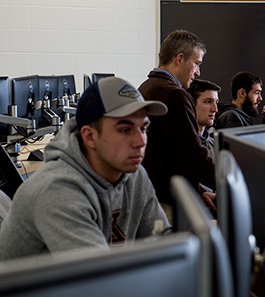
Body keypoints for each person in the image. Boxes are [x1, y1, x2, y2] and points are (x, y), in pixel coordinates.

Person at [0, 77, 169, 260]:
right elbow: (97, 277)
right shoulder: (57, 190)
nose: (140, 141)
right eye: (125, 130)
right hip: (34, 289)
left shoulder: (133, 174)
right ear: (89, 137)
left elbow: (161, 238)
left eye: (143, 129)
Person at [138, 30, 216, 216]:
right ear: (180, 59)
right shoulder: (176, 95)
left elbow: (170, 156)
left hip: (152, 196)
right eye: (196, 64)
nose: (198, 72)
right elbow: (193, 158)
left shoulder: (146, 86)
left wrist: (198, 191)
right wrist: (235, 181)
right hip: (169, 204)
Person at [188, 79, 221, 162]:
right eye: (208, 102)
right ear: (191, 105)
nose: (215, 109)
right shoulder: (184, 144)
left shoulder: (214, 144)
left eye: (216, 102)